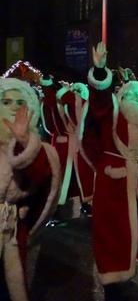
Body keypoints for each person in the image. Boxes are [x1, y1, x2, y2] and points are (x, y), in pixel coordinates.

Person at [85, 42, 138, 301]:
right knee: (110, 232)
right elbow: (99, 102)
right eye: (130, 96)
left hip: (134, 187)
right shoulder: (113, 115)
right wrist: (99, 71)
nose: (136, 100)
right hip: (111, 185)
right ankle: (111, 284)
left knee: (128, 232)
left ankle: (122, 275)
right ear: (121, 99)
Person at [0, 77, 60, 301]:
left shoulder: (38, 149)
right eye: (6, 102)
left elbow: (40, 177)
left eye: (20, 102)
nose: (14, 107)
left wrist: (24, 142)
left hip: (12, 235)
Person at [40, 77, 95, 221]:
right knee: (66, 177)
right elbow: (81, 117)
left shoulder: (52, 102)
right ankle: (60, 208)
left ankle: (83, 204)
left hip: (70, 146)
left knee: (77, 178)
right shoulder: (66, 101)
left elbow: (50, 127)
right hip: (69, 146)